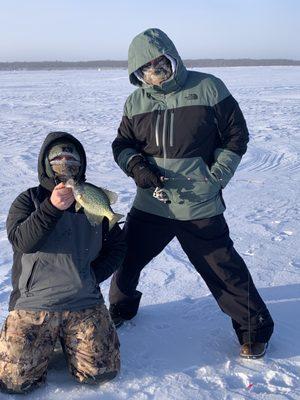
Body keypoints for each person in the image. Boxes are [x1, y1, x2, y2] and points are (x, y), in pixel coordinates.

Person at [108, 28, 274, 359]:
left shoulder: (208, 87)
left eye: (160, 64)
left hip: (199, 203)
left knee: (223, 268)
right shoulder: (136, 101)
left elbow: (236, 136)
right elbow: (122, 144)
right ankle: (121, 309)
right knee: (126, 259)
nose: (154, 72)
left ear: (172, 58)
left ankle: (254, 330)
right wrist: (137, 168)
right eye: (146, 68)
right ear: (137, 71)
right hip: (152, 203)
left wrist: (215, 178)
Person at [0, 131, 126, 394]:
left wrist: (91, 275)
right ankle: (44, 340)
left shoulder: (91, 197)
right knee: (15, 382)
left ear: (81, 164)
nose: (65, 162)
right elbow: (22, 241)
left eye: (72, 157)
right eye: (57, 157)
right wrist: (51, 208)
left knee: (101, 373)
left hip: (84, 301)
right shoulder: (29, 200)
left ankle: (66, 340)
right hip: (35, 303)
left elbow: (117, 247)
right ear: (46, 163)